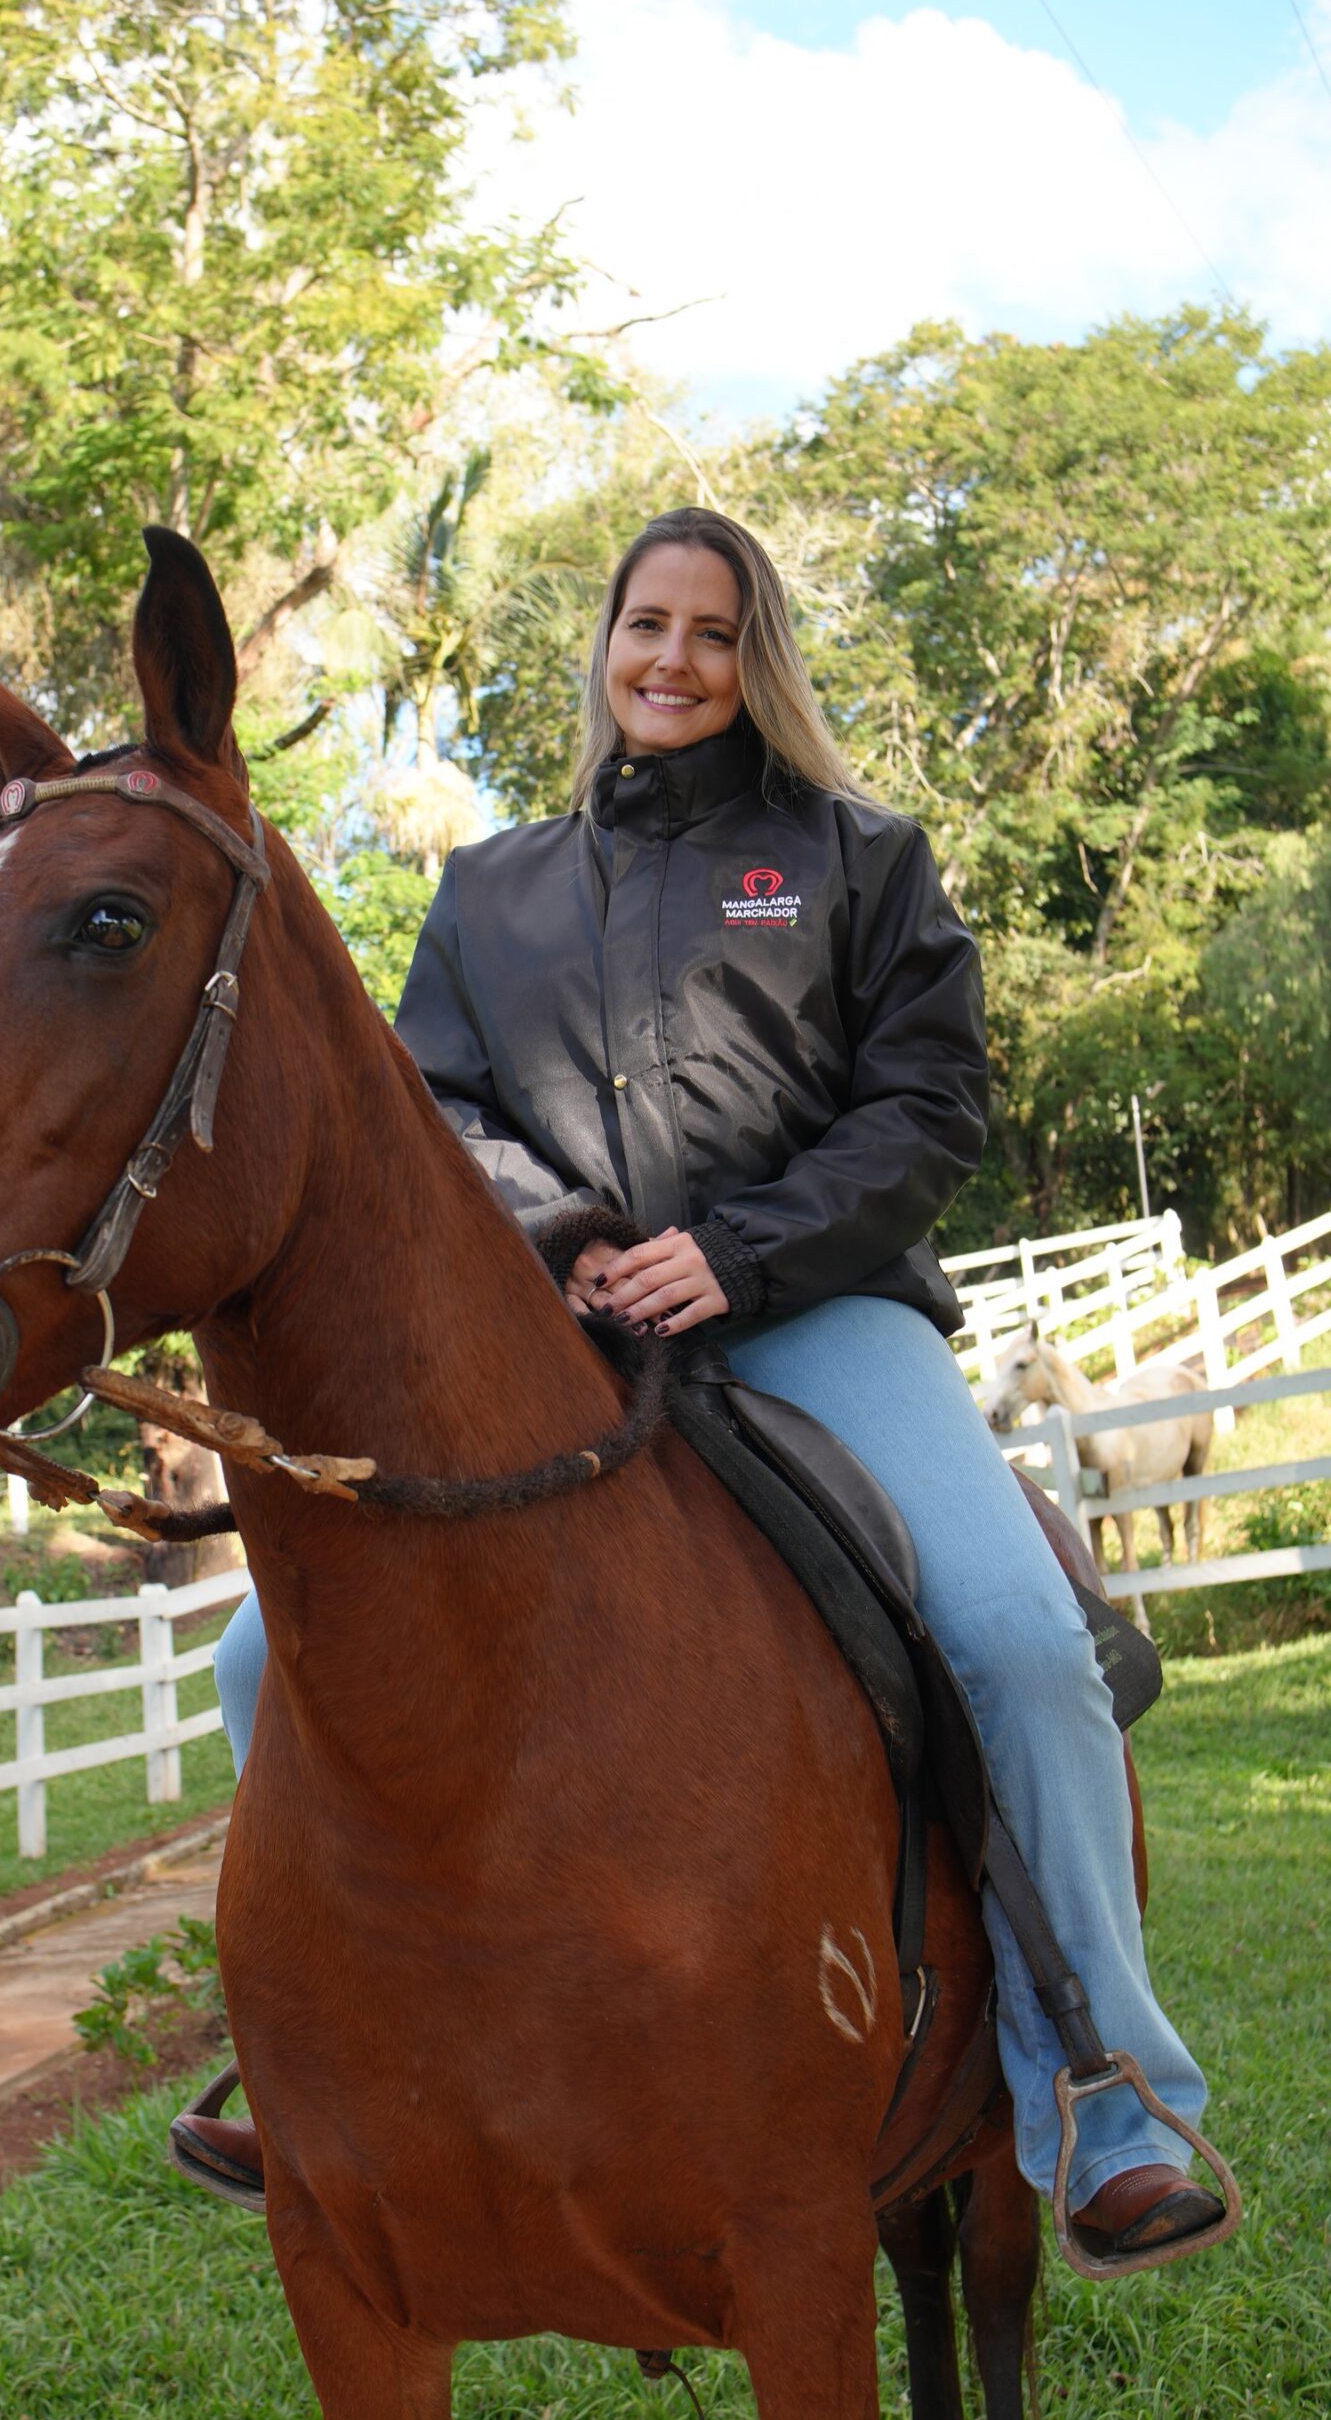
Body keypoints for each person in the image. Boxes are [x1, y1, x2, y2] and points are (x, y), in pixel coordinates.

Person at [177, 505, 1226, 2266]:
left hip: (818, 1312)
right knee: (263, 1653)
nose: (671, 659)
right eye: (644, 623)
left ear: (762, 659)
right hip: (569, 1340)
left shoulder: (853, 856)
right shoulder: (491, 889)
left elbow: (929, 1102)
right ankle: (328, 2066)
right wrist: (573, 1234)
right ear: (603, 641)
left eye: (713, 631)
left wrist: (740, 1250)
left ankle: (1104, 2093)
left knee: (1023, 1639)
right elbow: (433, 1121)